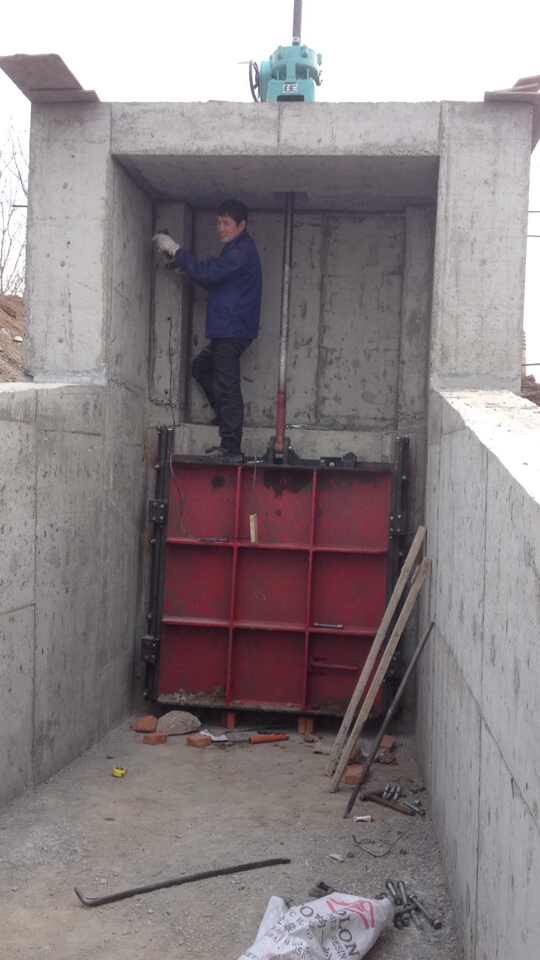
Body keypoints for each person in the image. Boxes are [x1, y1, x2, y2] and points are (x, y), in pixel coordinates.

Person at [153, 199, 262, 463]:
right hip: (229, 328)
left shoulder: (240, 252)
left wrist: (176, 250)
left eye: (226, 223)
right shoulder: (235, 250)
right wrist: (185, 268)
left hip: (232, 329)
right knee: (201, 368)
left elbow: (210, 274)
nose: (220, 228)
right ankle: (226, 421)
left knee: (227, 387)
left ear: (242, 225)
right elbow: (215, 280)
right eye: (218, 223)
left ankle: (231, 447)